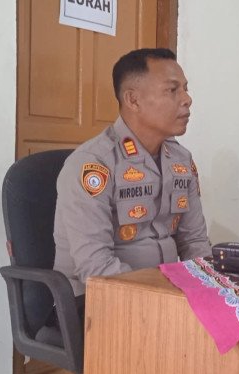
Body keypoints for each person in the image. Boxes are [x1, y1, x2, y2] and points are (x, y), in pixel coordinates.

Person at [53, 48, 211, 295]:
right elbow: (96, 267)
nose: (187, 99)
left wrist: (210, 287)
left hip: (165, 295)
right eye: (172, 90)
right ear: (133, 100)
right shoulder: (93, 164)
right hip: (99, 300)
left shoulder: (181, 160)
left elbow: (195, 242)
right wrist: (163, 295)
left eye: (185, 88)